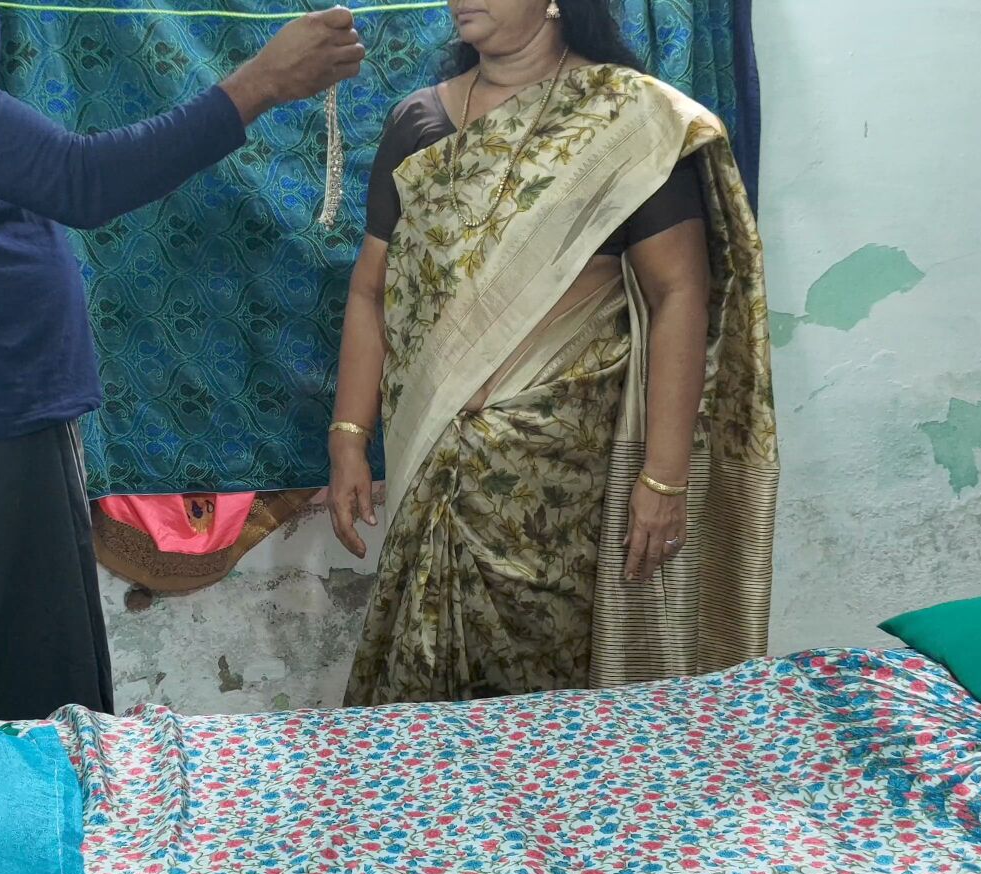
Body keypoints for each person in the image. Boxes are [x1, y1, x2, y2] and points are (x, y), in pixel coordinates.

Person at [0, 0, 362, 721]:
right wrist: (261, 84)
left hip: (1, 403)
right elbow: (78, 180)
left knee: (44, 685)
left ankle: (35, 794)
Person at [327, 0, 776, 706]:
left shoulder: (627, 122)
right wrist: (348, 438)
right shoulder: (416, 122)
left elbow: (679, 295)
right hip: (432, 457)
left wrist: (665, 478)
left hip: (561, 481)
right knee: (420, 697)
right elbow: (370, 290)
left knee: (554, 697)